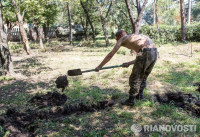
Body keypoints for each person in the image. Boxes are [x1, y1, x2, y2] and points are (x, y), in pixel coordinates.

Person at [95, 30, 157, 106]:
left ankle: (131, 100)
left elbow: (110, 54)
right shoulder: (134, 37)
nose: (117, 41)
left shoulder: (122, 38)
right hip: (154, 52)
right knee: (143, 76)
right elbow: (143, 56)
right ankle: (140, 96)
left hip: (146, 52)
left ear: (119, 36)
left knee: (134, 78)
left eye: (116, 39)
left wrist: (100, 66)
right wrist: (129, 63)